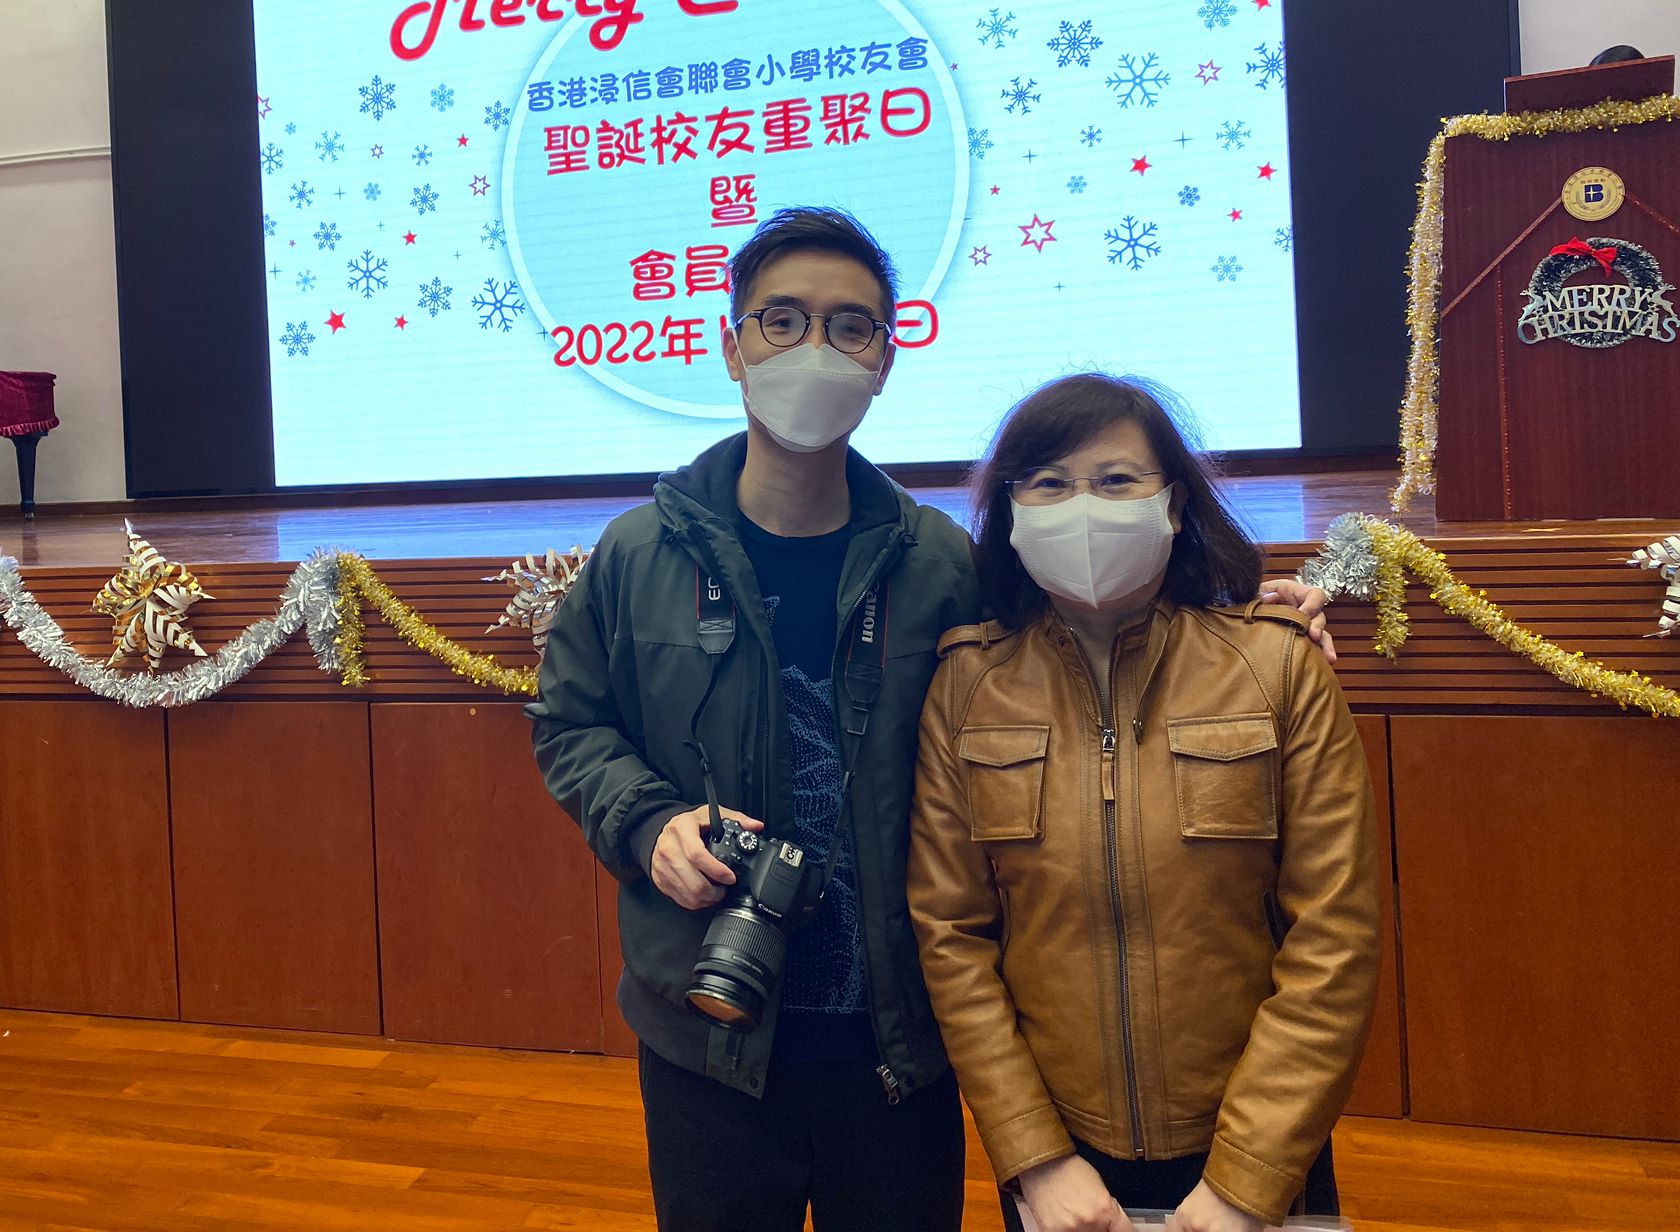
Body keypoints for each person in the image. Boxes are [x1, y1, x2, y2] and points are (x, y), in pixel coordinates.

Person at [529, 212, 1334, 1232]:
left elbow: (1082, 647)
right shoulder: (637, 554)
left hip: (898, 1049)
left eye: (849, 326)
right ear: (730, 346)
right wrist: (647, 823)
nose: (814, 349)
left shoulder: (937, 562)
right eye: (782, 320)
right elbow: (570, 725)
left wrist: (1244, 619)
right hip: (708, 1030)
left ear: (884, 359)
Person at [907, 374, 1380, 1232]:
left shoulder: (1277, 669)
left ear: (1174, 504)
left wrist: (1246, 1180)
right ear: (1010, 512)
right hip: (1060, 1164)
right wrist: (1034, 1157)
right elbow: (952, 937)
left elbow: (1334, 939)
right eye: (1048, 484)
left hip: (1256, 1151)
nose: (1081, 508)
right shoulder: (967, 687)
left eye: (1117, 480)